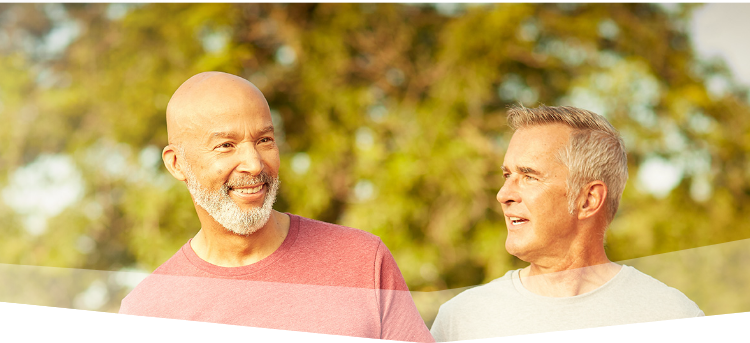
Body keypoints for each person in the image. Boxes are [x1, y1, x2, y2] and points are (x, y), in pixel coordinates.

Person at [119, 71, 434, 342]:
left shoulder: (364, 262)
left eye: (264, 140)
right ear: (177, 164)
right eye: (225, 146)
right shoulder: (148, 307)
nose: (254, 164)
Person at [430, 105, 704, 341]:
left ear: (588, 199)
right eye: (507, 175)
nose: (504, 195)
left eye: (529, 176)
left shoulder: (670, 312)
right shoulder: (461, 321)